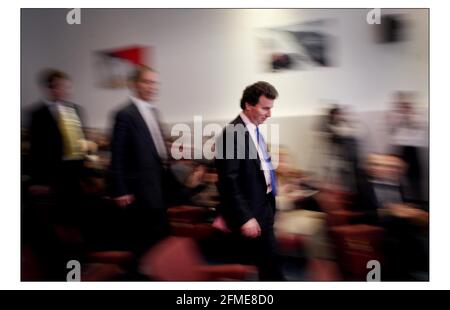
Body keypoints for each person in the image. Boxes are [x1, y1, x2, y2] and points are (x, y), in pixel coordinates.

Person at [215, 81, 284, 280]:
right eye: (265, 108)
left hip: (264, 206)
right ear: (248, 105)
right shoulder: (231, 134)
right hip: (251, 212)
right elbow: (229, 182)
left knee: (268, 266)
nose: (269, 114)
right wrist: (245, 217)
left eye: (271, 108)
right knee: (270, 268)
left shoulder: (254, 129)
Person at [27, 69, 88, 279]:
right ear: (49, 88)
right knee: (57, 230)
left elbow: (81, 145)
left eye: (66, 86)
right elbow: (35, 152)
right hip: (52, 182)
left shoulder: (77, 111)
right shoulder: (37, 114)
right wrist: (38, 181)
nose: (64, 90)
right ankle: (60, 273)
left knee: (77, 227)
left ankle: (79, 270)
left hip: (76, 180)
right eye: (60, 86)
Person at [109, 66, 173, 255]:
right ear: (135, 84)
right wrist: (120, 190)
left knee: (161, 239)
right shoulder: (125, 114)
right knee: (144, 242)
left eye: (155, 82)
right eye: (147, 82)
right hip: (139, 189)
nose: (153, 87)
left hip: (158, 186)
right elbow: (117, 155)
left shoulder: (154, 112)